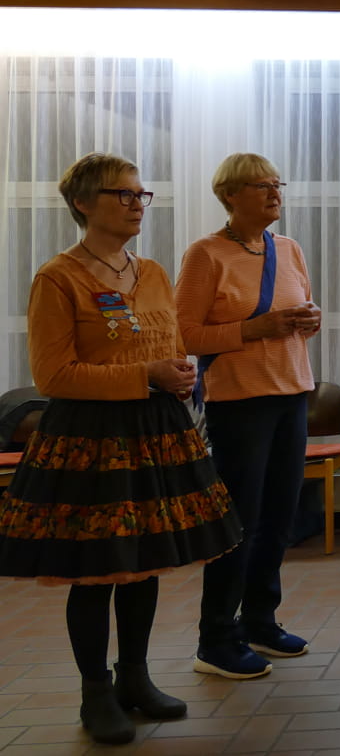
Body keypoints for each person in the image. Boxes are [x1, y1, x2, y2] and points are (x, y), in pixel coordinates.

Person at [0, 153, 241, 745]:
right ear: (83, 203)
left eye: (140, 195)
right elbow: (54, 375)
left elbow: (168, 344)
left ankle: (136, 677)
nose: (137, 205)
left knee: (144, 561)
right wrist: (145, 375)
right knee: (96, 569)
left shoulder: (152, 272)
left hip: (155, 429)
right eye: (123, 194)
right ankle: (95, 691)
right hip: (92, 437)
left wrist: (179, 373)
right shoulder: (59, 277)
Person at [176, 153, 321, 679]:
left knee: (280, 517)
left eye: (277, 184)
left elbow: (299, 312)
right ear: (230, 195)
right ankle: (215, 638)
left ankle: (260, 620)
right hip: (239, 403)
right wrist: (254, 329)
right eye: (261, 185)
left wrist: (310, 320)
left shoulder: (289, 249)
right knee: (239, 521)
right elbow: (185, 335)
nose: (274, 193)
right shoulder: (206, 254)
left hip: (292, 394)